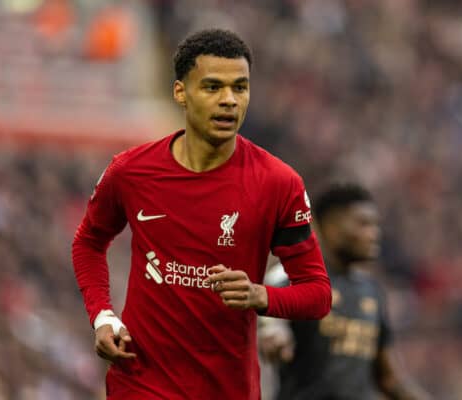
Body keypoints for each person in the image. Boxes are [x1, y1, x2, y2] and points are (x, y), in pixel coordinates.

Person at [71, 29, 331, 400]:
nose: (229, 101)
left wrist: (261, 295)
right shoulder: (131, 171)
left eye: (240, 88)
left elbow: (318, 294)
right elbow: (89, 241)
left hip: (228, 388)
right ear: (181, 92)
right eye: (212, 87)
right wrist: (103, 316)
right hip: (141, 383)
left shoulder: (278, 184)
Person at [259, 183, 430, 400]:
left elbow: (389, 379)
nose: (374, 234)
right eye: (363, 224)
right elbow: (271, 315)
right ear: (329, 226)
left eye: (375, 225)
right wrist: (275, 333)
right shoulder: (295, 276)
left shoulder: (371, 291)